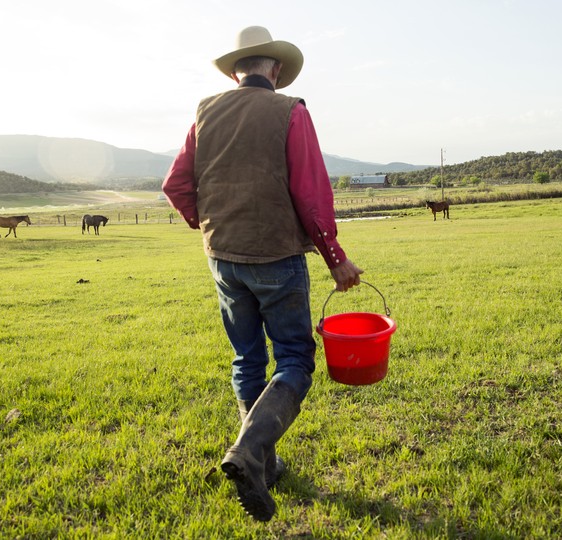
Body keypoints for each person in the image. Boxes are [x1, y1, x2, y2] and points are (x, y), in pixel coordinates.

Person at [162, 26, 363, 521]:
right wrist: (335, 257)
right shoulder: (290, 111)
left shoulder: (204, 113)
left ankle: (264, 464)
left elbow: (175, 185)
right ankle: (250, 452)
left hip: (223, 257)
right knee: (295, 358)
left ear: (236, 72)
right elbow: (310, 191)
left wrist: (208, 224)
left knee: (246, 359)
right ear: (274, 69)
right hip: (276, 256)